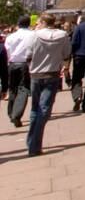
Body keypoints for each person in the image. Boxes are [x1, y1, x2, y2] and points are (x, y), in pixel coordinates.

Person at [23, 13, 72, 156]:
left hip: (36, 75)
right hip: (52, 74)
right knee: (44, 110)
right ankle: (34, 144)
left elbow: (28, 56)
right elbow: (66, 54)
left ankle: (32, 143)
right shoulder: (63, 35)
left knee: (35, 109)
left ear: (43, 22)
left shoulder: (34, 35)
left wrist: (31, 68)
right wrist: (65, 67)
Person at [5, 15, 35, 127]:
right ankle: (16, 115)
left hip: (12, 64)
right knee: (23, 89)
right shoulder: (33, 35)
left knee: (12, 88)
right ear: (29, 24)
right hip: (25, 64)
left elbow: (7, 50)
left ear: (18, 24)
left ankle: (11, 113)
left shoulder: (11, 36)